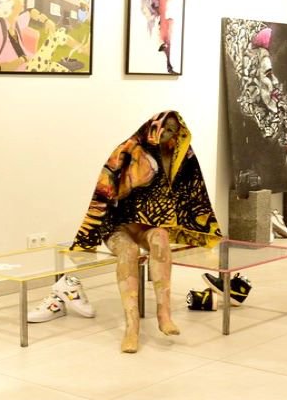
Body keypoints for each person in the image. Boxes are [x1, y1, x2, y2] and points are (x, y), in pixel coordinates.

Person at [71, 111, 221, 353]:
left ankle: (164, 314)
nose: (167, 134)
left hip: (146, 226)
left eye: (172, 130)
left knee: (160, 238)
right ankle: (132, 327)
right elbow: (103, 190)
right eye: (165, 128)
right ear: (154, 126)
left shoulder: (181, 156)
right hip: (117, 225)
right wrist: (88, 233)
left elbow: (194, 192)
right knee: (129, 251)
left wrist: (195, 227)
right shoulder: (128, 149)